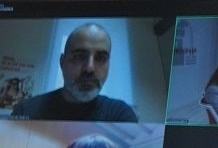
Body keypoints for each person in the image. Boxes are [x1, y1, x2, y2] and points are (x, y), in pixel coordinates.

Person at [9, 22, 138, 122]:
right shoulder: (25, 111)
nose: (89, 68)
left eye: (101, 58)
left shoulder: (121, 115)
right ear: (62, 62)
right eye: (79, 56)